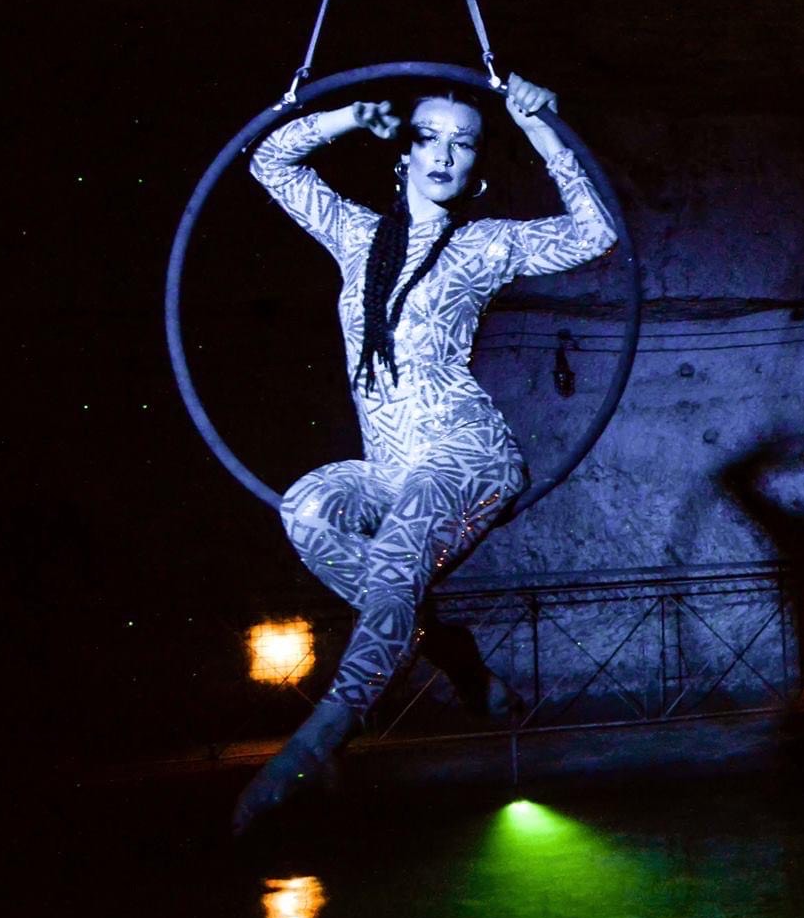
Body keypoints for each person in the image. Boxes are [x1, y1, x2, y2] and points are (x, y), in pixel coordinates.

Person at [232, 74, 617, 832]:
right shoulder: (355, 235)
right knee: (307, 508)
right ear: (402, 153)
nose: (444, 154)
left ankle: (322, 735)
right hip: (386, 463)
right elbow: (268, 161)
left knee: (403, 543)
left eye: (463, 143)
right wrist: (347, 115)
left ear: (476, 168)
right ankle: (448, 651)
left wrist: (541, 127)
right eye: (428, 137)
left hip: (464, 452)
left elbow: (595, 234)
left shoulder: (484, 244)